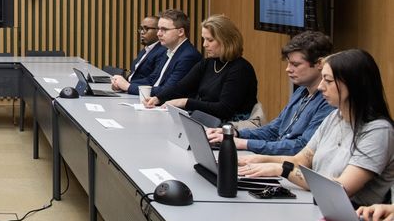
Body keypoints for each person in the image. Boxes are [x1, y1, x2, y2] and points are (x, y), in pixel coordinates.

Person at [240, 49, 394, 206]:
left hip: (352, 219)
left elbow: (339, 189)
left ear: (352, 84)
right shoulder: (335, 117)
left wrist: (283, 170)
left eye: (328, 81)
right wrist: (260, 160)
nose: (320, 87)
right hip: (318, 206)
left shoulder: (378, 131)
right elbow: (300, 160)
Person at [206, 31, 334, 154]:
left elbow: (301, 147)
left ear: (319, 64)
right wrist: (236, 134)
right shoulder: (301, 92)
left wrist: (243, 143)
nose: (288, 69)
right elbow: (273, 130)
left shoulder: (328, 102)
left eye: (295, 64)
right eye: (289, 63)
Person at [146, 14, 257, 122]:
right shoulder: (208, 63)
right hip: (206, 122)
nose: (204, 44)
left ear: (226, 41)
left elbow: (224, 109)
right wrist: (158, 98)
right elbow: (181, 87)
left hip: (230, 129)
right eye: (204, 39)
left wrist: (185, 102)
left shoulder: (241, 69)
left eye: (210, 40)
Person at [140, 9, 201, 99]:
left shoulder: (188, 56)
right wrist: (126, 85)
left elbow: (168, 90)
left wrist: (128, 87)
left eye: (164, 29)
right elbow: (152, 79)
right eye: (159, 29)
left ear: (180, 32)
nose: (158, 34)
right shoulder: (168, 51)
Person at [111, 15, 166, 94]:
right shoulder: (146, 50)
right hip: (131, 91)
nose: (142, 32)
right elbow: (133, 75)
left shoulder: (162, 51)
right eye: (141, 29)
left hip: (142, 94)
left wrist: (127, 85)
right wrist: (118, 84)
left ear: (158, 31)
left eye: (146, 29)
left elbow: (153, 80)